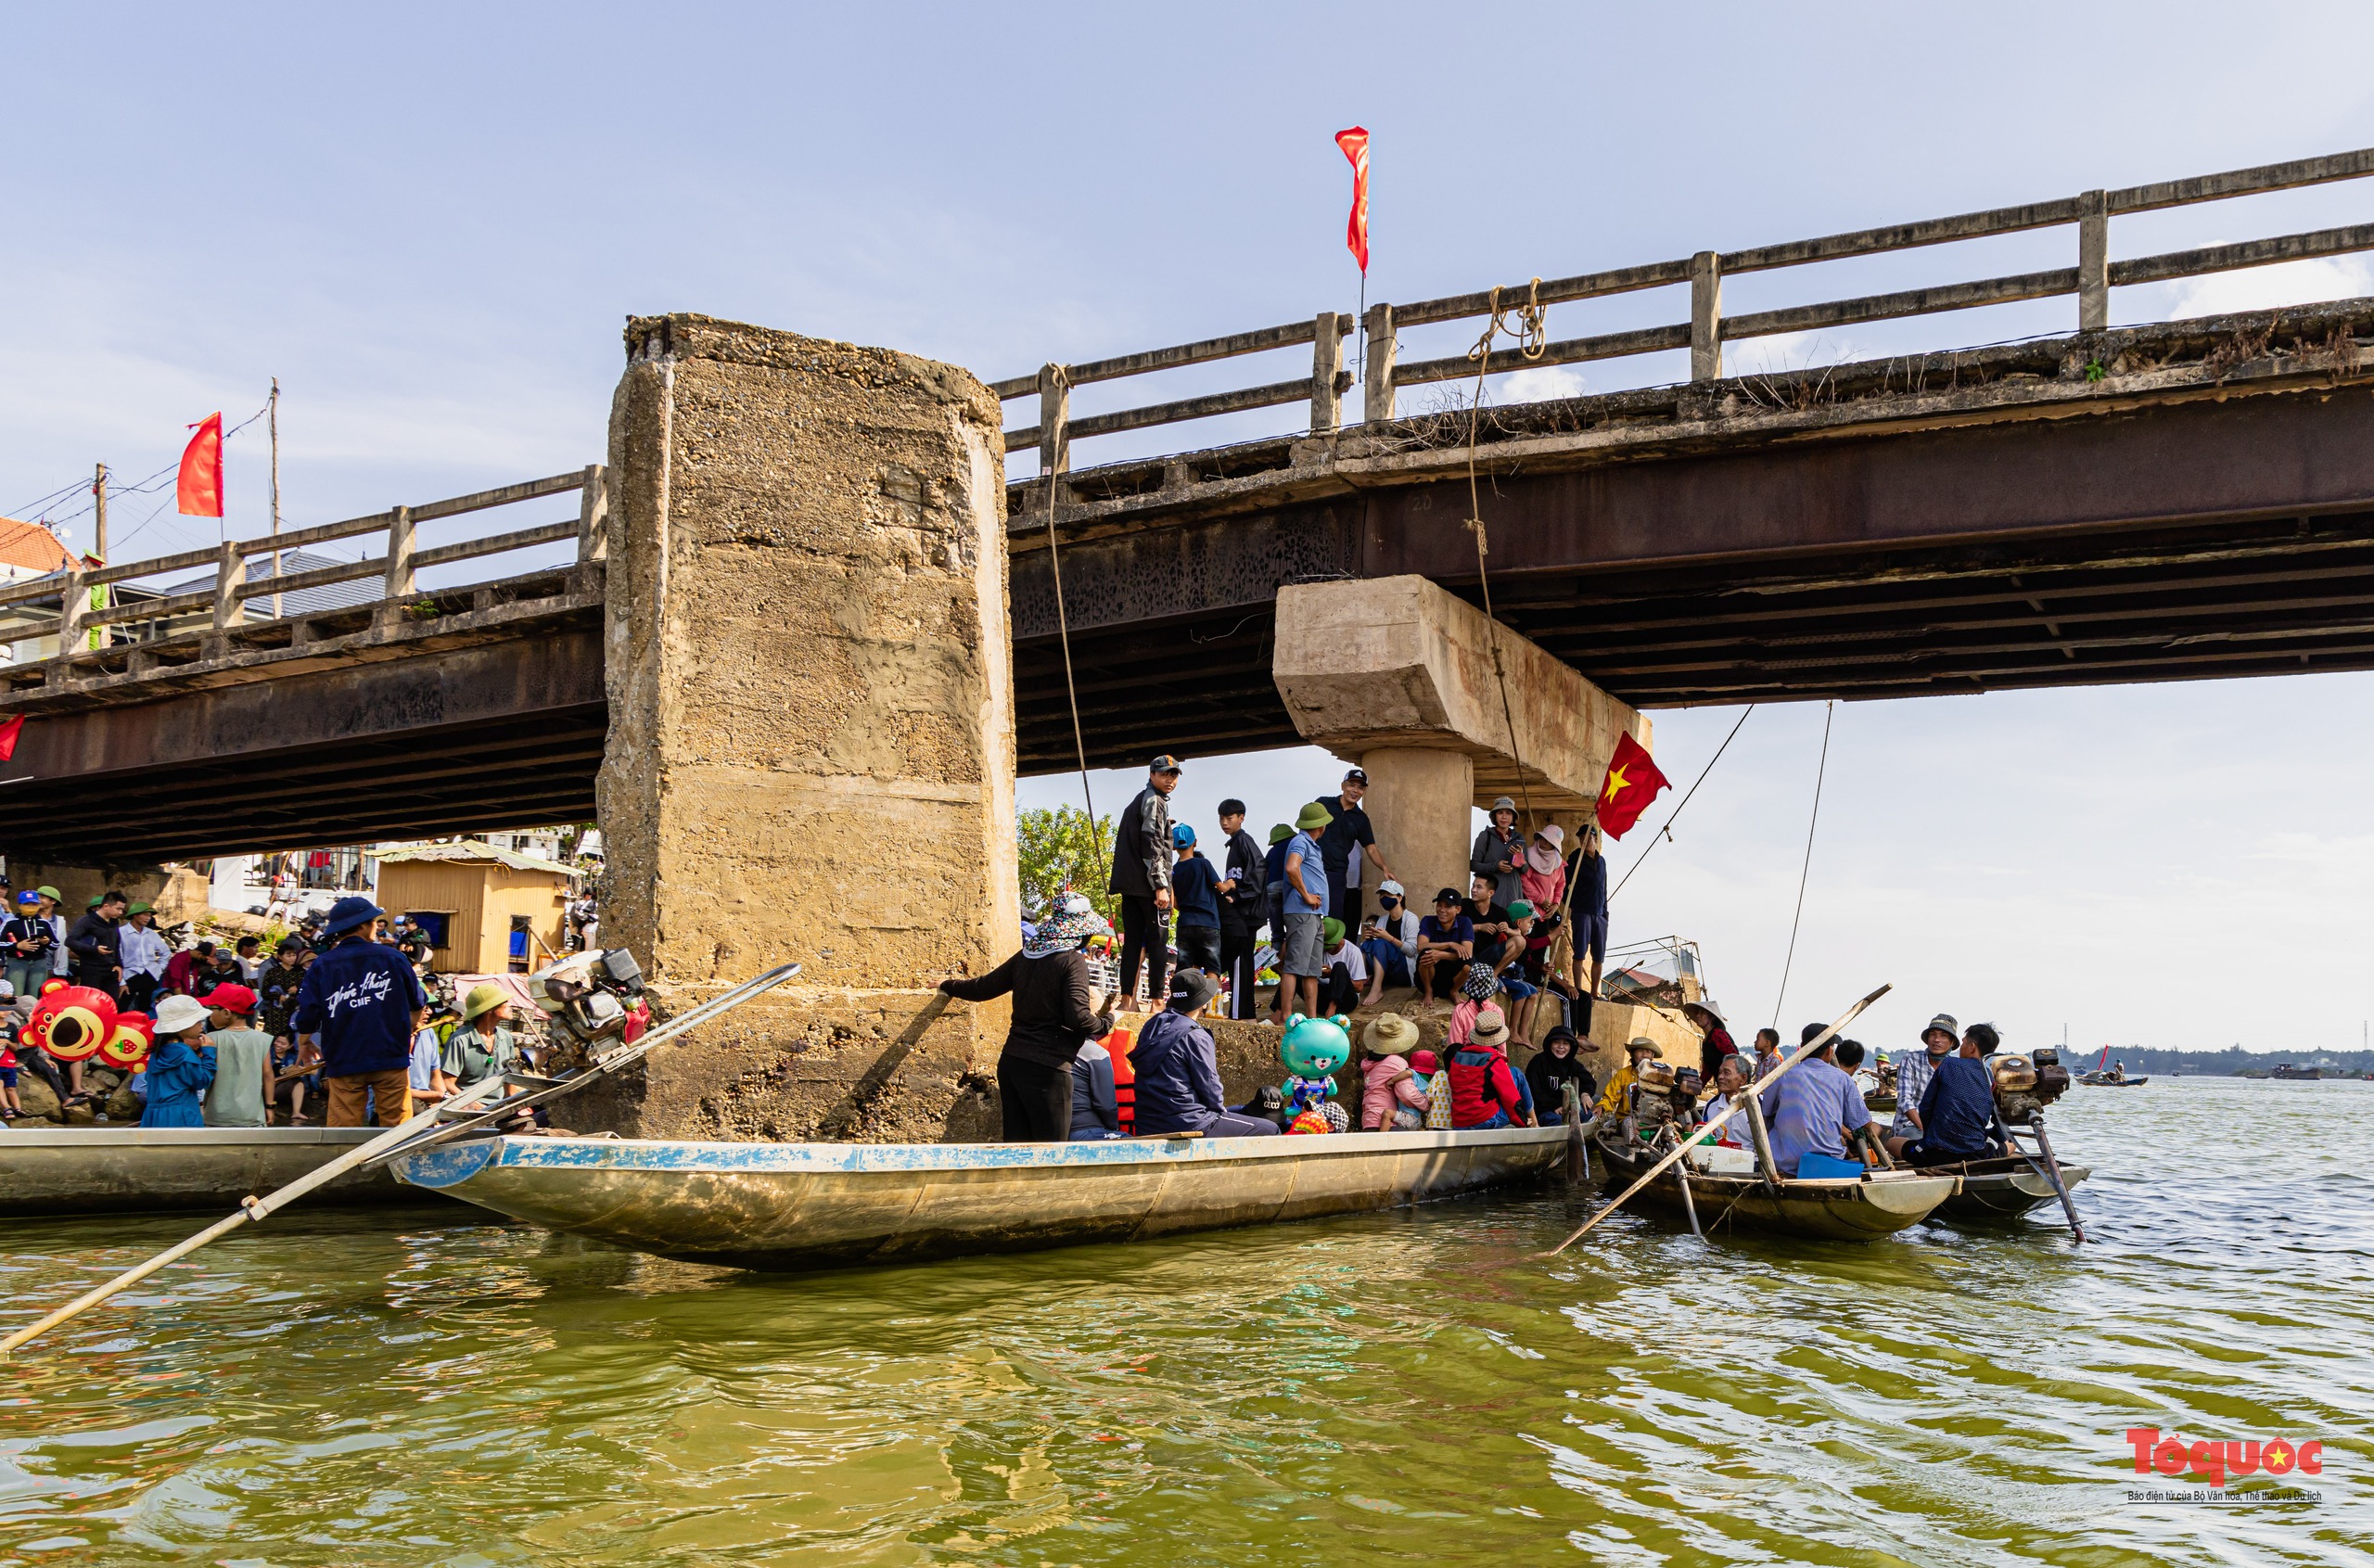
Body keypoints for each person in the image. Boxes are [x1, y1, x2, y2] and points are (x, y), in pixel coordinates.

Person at [938, 894, 1117, 1142]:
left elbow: (982, 988)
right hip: (1048, 1069)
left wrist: (946, 984)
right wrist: (1108, 1021)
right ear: (1082, 933)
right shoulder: (1071, 960)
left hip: (1012, 1063)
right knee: (1050, 1155)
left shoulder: (1026, 955)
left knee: (1017, 1151)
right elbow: (1078, 1018)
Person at [291, 897, 428, 1128]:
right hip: (390, 1057)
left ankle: (346, 1165)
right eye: (374, 922)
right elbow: (418, 1002)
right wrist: (408, 1029)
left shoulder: (322, 964)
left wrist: (304, 1042)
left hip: (344, 1059)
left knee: (343, 1130)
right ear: (365, 925)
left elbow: (307, 1013)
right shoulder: (393, 957)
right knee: (396, 1128)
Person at [1131, 968, 1279, 1138]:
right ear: (1202, 1002)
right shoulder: (1196, 1035)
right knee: (1270, 1129)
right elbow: (1210, 1087)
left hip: (1147, 1122)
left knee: (1238, 1112)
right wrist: (1219, 1112)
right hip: (1188, 1122)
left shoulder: (1152, 1025)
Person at [1106, 755, 1181, 1004]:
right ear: (1152, 775)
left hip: (1130, 886)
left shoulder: (1140, 801)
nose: (1169, 779)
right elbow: (1152, 844)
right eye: (1164, 774)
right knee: (1158, 943)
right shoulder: (1155, 801)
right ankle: (1157, 1002)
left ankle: (1128, 999)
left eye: (1173, 775)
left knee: (1132, 944)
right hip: (1148, 886)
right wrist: (1161, 886)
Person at [1765, 1025, 1879, 1176]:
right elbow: (1865, 1123)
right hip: (1827, 1164)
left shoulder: (1782, 1075)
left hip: (1785, 1164)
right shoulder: (1843, 1078)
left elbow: (1765, 1111)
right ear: (1829, 1051)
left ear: (1802, 1049)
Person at [1894, 1023, 2009, 1166]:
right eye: (1933, 1035)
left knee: (1892, 1143)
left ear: (1972, 1047)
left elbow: (1925, 1107)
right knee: (2010, 1144)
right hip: (1976, 1153)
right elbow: (2001, 1120)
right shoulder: (1991, 1077)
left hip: (1936, 1154)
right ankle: (1991, 1154)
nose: (1962, 1047)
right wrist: (1990, 1136)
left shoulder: (1948, 1064)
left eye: (1964, 1043)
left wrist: (1931, 1137)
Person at [1311, 768, 1397, 936]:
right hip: (1313, 868)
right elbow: (1307, 829)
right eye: (1352, 785)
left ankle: (1329, 960)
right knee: (1308, 915)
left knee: (1333, 920)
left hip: (1337, 873)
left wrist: (1385, 868)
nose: (1355, 791)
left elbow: (1371, 848)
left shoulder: (1361, 819)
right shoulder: (1323, 803)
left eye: (1360, 788)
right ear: (1343, 786)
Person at [1270, 802, 1331, 1025]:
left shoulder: (1311, 845)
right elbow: (1291, 867)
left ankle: (1312, 1018)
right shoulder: (1300, 841)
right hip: (1301, 911)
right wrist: (1306, 895)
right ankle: (1286, 1015)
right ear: (1321, 826)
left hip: (1314, 915)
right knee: (1294, 966)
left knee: (1312, 970)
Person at [1216, 800, 1267, 1021]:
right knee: (1244, 963)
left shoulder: (1244, 841)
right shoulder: (1235, 844)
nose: (1225, 823)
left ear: (1241, 818)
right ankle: (1246, 1014)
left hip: (1245, 915)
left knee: (1238, 962)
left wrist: (1236, 896)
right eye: (1222, 819)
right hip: (1245, 914)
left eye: (1230, 818)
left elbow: (1259, 871)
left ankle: (1238, 1014)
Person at [198, 984, 274, 1128]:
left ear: (226, 1013)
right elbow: (268, 1074)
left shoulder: (210, 1039)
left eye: (211, 1009)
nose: (208, 1015)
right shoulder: (262, 1039)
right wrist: (270, 1106)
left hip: (217, 1116)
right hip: (252, 1116)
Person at [139, 994, 218, 1128]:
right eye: (198, 1021)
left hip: (154, 1115)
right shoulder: (184, 1052)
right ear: (184, 1025)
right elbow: (201, 1081)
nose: (201, 1026)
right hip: (181, 1114)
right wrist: (209, 1053)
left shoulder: (158, 1051)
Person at [1447, 1006, 1528, 1128]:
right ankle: (1534, 1122)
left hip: (1459, 1122)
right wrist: (1522, 1122)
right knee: (1516, 1073)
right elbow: (1510, 1098)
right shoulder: (1495, 1062)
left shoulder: (1457, 1058)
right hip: (1484, 1120)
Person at [440, 983, 519, 1093]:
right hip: (466, 1106)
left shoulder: (505, 1037)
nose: (510, 1006)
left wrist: (513, 1105)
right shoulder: (460, 1039)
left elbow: (510, 1075)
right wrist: (474, 1105)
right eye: (504, 1002)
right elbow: (448, 1082)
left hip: (498, 1107)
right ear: (489, 1009)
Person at [1168, 824, 1223, 978]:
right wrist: (1230, 884)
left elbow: (1174, 902)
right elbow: (1221, 887)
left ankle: (1186, 1000)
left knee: (1185, 966)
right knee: (1212, 968)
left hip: (1185, 923)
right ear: (1195, 842)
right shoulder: (1203, 864)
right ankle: (1210, 1003)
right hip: (1208, 923)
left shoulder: (1173, 870)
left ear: (1174, 847)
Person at [1358, 1013, 1428, 1130]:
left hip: (1368, 1120)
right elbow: (1406, 1093)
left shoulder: (1368, 1064)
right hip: (1386, 1123)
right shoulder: (1395, 1062)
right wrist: (1426, 1105)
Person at [1525, 1025, 1597, 1125]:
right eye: (1556, 1042)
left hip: (1567, 1109)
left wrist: (1585, 1094)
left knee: (1587, 1114)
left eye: (1565, 1043)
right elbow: (1534, 1093)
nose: (1561, 1047)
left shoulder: (1572, 1064)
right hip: (1545, 1110)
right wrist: (1555, 1107)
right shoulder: (1538, 1062)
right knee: (1558, 1121)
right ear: (1550, 1044)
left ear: (1571, 1047)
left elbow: (1588, 1080)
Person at [1412, 888, 1474, 1003]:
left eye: (1447, 907)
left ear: (1458, 909)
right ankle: (1428, 991)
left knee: (1468, 964)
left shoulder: (1465, 922)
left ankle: (1454, 992)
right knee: (1426, 953)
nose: (1442, 910)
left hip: (1453, 980)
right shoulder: (1428, 920)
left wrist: (1441, 955)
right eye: (1439, 905)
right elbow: (1421, 946)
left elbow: (1467, 952)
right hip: (1429, 978)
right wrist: (1450, 944)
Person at [1358, 879, 1420, 991]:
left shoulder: (1411, 919)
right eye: (1381, 895)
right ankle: (1360, 980)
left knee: (1381, 943)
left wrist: (1389, 938)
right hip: (1387, 967)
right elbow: (1375, 947)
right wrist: (1370, 937)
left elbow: (1412, 951)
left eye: (1389, 894)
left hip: (1404, 968)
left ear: (1400, 898)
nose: (1383, 898)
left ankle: (1376, 989)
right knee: (1367, 944)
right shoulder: (1383, 920)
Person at [67, 890, 128, 1001]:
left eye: (122, 909)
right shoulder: (86, 921)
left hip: (111, 969)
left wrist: (119, 964)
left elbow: (116, 944)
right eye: (118, 909)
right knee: (91, 1002)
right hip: (91, 969)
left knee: (112, 1002)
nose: (120, 912)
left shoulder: (114, 922)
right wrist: (94, 949)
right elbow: (70, 941)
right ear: (106, 906)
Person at [1470, 797, 1526, 909]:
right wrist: (1496, 866)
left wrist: (1519, 858)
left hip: (1514, 893)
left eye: (1508, 813)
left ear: (1513, 817)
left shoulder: (1519, 838)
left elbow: (1525, 869)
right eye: (1500, 813)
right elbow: (1474, 865)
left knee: (1512, 923)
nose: (1504, 817)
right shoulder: (1485, 836)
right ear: (1495, 816)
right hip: (1492, 894)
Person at [2, 890, 57, 1001]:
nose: (31, 907)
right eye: (27, 904)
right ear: (19, 905)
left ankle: (33, 1018)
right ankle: (15, 1018)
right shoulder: (11, 922)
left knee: (35, 997)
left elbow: (56, 944)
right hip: (17, 963)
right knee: (15, 997)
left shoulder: (44, 923)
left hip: (39, 963)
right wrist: (17, 946)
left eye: (34, 904)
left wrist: (47, 942)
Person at [257, 937, 313, 1042]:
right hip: (275, 1013)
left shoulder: (301, 973)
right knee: (271, 1040)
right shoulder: (272, 972)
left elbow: (307, 990)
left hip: (293, 1011)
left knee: (290, 1040)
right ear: (280, 957)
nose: (292, 958)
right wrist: (278, 996)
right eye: (288, 955)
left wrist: (298, 990)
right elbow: (264, 992)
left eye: (293, 955)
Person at [1069, 1033, 1121, 1140]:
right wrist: (1114, 1127)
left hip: (1055, 1130)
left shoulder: (1048, 1048)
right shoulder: (1096, 1052)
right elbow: (1106, 1106)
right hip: (1086, 1130)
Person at [1599, 1037, 1661, 1118]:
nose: (1644, 1055)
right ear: (1632, 1054)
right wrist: (1602, 1107)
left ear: (1652, 1056)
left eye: (1648, 1052)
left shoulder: (1660, 1076)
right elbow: (1611, 1096)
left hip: (1652, 1118)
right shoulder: (1623, 1074)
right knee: (1632, 1130)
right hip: (1627, 1118)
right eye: (1640, 1051)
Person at [409, 1002, 457, 1109]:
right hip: (401, 1102)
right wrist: (437, 1095)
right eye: (424, 1008)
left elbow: (435, 1074)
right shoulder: (389, 1036)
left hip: (426, 1100)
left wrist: (442, 1101)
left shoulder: (428, 1033)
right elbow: (396, 1090)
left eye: (429, 1007)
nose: (430, 1012)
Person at [1317, 918, 1367, 1016]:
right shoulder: (1319, 950)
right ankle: (1280, 1011)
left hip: (1345, 1001)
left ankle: (1332, 1008)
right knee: (1296, 973)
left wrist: (1333, 975)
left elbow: (1359, 987)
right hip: (1323, 1000)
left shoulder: (1353, 952)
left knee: (1339, 966)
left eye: (1329, 947)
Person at [1683, 999, 1737, 1082]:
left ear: (1712, 1018)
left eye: (1703, 1013)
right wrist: (1699, 1084)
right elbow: (1708, 1069)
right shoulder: (1706, 1041)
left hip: (1731, 1083)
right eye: (1698, 1013)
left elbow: (1734, 1057)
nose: (1698, 1016)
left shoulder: (1717, 1034)